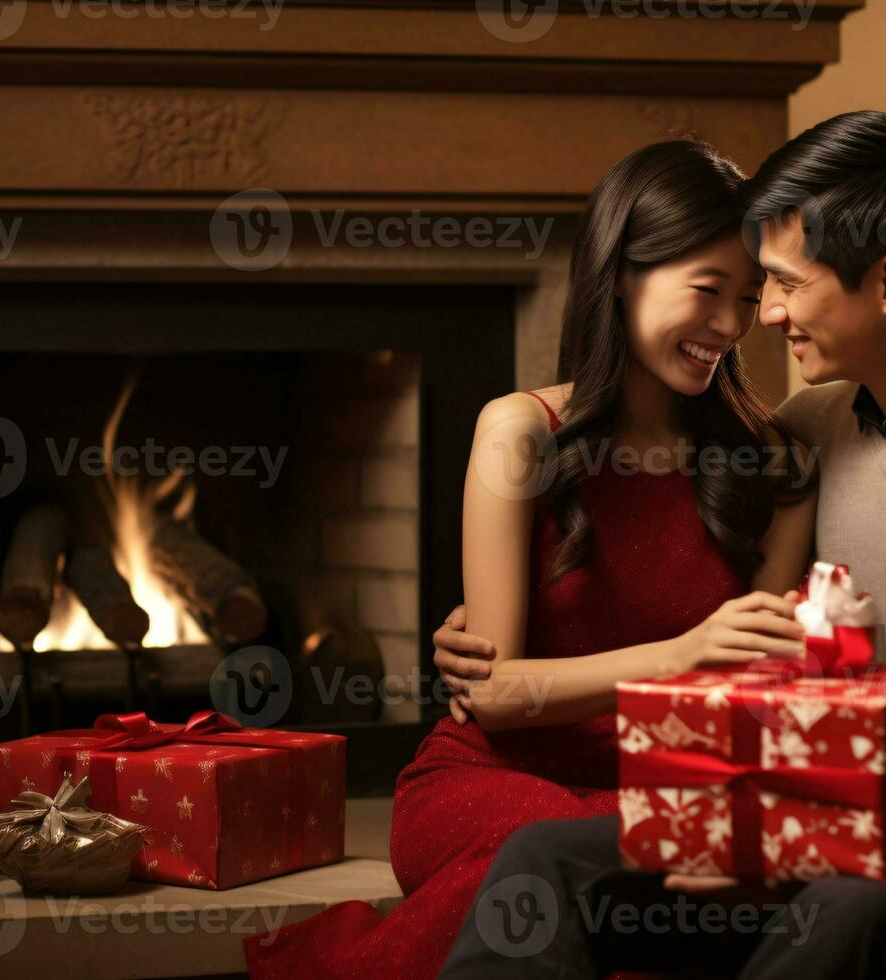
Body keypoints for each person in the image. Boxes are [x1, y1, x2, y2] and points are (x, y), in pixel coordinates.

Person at [434, 110, 886, 980]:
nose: (761, 316)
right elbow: (694, 581)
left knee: (835, 918)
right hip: (791, 807)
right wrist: (494, 640)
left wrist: (860, 783)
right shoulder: (807, 431)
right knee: (542, 864)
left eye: (779, 283)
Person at [242, 139, 818, 980]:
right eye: (705, 291)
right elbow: (497, 695)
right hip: (490, 781)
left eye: (747, 297)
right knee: (562, 860)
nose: (730, 328)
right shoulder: (520, 433)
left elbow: (756, 695)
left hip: (661, 791)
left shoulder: (777, 462)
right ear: (622, 272)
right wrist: (684, 656)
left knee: (619, 886)